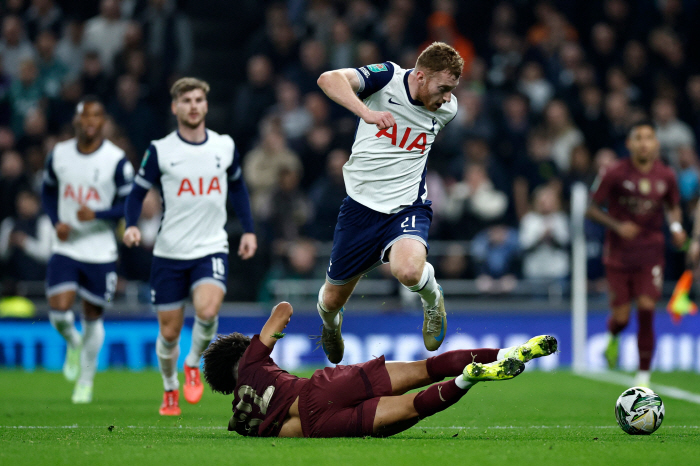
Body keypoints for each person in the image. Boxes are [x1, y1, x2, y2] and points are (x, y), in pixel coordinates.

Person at [202, 302, 557, 438]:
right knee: (428, 368)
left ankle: (467, 379)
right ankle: (507, 353)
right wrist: (270, 338)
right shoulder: (251, 361)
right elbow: (283, 309)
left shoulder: (244, 422)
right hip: (320, 388)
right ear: (240, 354)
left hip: (318, 426)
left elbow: (291, 429)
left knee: (411, 407)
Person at [314, 41, 463, 363]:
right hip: (360, 209)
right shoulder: (386, 78)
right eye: (443, 88)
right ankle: (330, 326)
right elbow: (328, 79)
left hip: (407, 205)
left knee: (408, 271)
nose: (448, 98)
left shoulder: (446, 110)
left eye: (452, 90)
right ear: (420, 76)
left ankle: (433, 300)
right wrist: (366, 112)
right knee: (330, 300)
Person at [123, 77, 257, 416]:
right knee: (168, 332)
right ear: (175, 107)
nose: (194, 105)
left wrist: (249, 231)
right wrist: (131, 225)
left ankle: (193, 362)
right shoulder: (161, 150)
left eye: (199, 99)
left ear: (206, 105)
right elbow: (137, 192)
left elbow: (239, 189)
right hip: (169, 251)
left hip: (210, 247)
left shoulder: (223, 146)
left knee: (208, 311)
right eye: (187, 101)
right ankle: (170, 389)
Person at [41, 96, 133, 403]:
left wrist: (98, 214)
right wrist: (56, 221)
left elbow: (128, 205)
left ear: (103, 121)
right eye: (85, 116)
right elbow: (48, 190)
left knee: (93, 315)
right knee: (59, 312)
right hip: (66, 245)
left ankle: (86, 380)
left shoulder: (116, 160)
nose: (90, 122)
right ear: (76, 121)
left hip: (100, 249)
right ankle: (72, 340)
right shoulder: (59, 154)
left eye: (96, 116)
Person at [586, 121, 686, 387]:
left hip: (650, 252)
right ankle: (613, 337)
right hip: (618, 255)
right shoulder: (615, 172)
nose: (643, 143)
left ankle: (643, 377)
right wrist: (618, 226)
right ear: (630, 144)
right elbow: (592, 209)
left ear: (656, 144)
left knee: (646, 308)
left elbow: (673, 207)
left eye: (648, 138)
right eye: (638, 138)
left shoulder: (666, 175)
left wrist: (676, 228)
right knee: (621, 317)